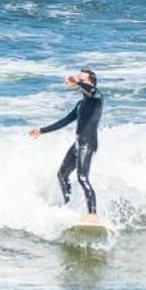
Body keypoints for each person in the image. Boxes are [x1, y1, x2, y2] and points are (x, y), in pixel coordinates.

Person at [30, 68, 103, 215]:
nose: (79, 81)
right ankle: (69, 206)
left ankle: (93, 215)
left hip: (88, 144)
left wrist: (79, 82)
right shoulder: (80, 104)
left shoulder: (97, 98)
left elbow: (92, 91)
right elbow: (65, 121)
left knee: (82, 178)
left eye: (83, 79)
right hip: (77, 145)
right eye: (79, 78)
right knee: (62, 175)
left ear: (90, 82)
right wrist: (42, 130)